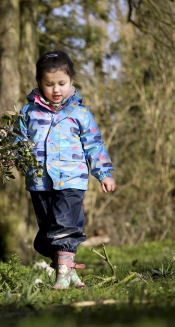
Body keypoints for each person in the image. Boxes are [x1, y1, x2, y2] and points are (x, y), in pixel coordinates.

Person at [17, 50, 116, 289]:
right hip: (39, 181)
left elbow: (94, 143)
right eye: (49, 84)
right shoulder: (28, 113)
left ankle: (63, 275)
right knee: (47, 234)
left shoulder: (80, 113)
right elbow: (18, 141)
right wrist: (11, 158)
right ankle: (68, 270)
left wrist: (104, 172)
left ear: (72, 82)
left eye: (62, 83)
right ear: (39, 83)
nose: (56, 89)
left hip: (72, 179)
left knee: (65, 225)